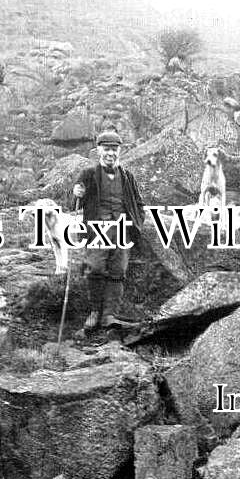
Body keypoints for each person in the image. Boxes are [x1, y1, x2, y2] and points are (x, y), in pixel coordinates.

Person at [69, 129, 146, 330]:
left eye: (114, 149)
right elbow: (75, 202)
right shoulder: (88, 174)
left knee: (118, 270)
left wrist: (136, 223)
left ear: (119, 151)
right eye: (106, 149)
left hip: (122, 230)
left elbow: (139, 204)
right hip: (97, 230)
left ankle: (110, 315)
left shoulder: (128, 177)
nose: (110, 153)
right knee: (95, 267)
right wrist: (76, 193)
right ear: (98, 150)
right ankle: (95, 312)